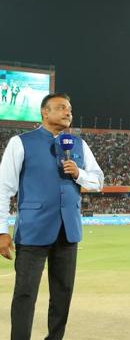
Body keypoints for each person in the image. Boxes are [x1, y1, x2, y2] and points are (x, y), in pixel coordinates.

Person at [0, 93, 104, 340]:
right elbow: (4, 188)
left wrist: (79, 174)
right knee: (25, 293)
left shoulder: (79, 144)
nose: (68, 112)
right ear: (44, 113)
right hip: (33, 230)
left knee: (63, 293)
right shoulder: (20, 142)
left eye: (70, 109)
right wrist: (2, 230)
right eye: (61, 108)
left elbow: (98, 180)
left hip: (68, 232)